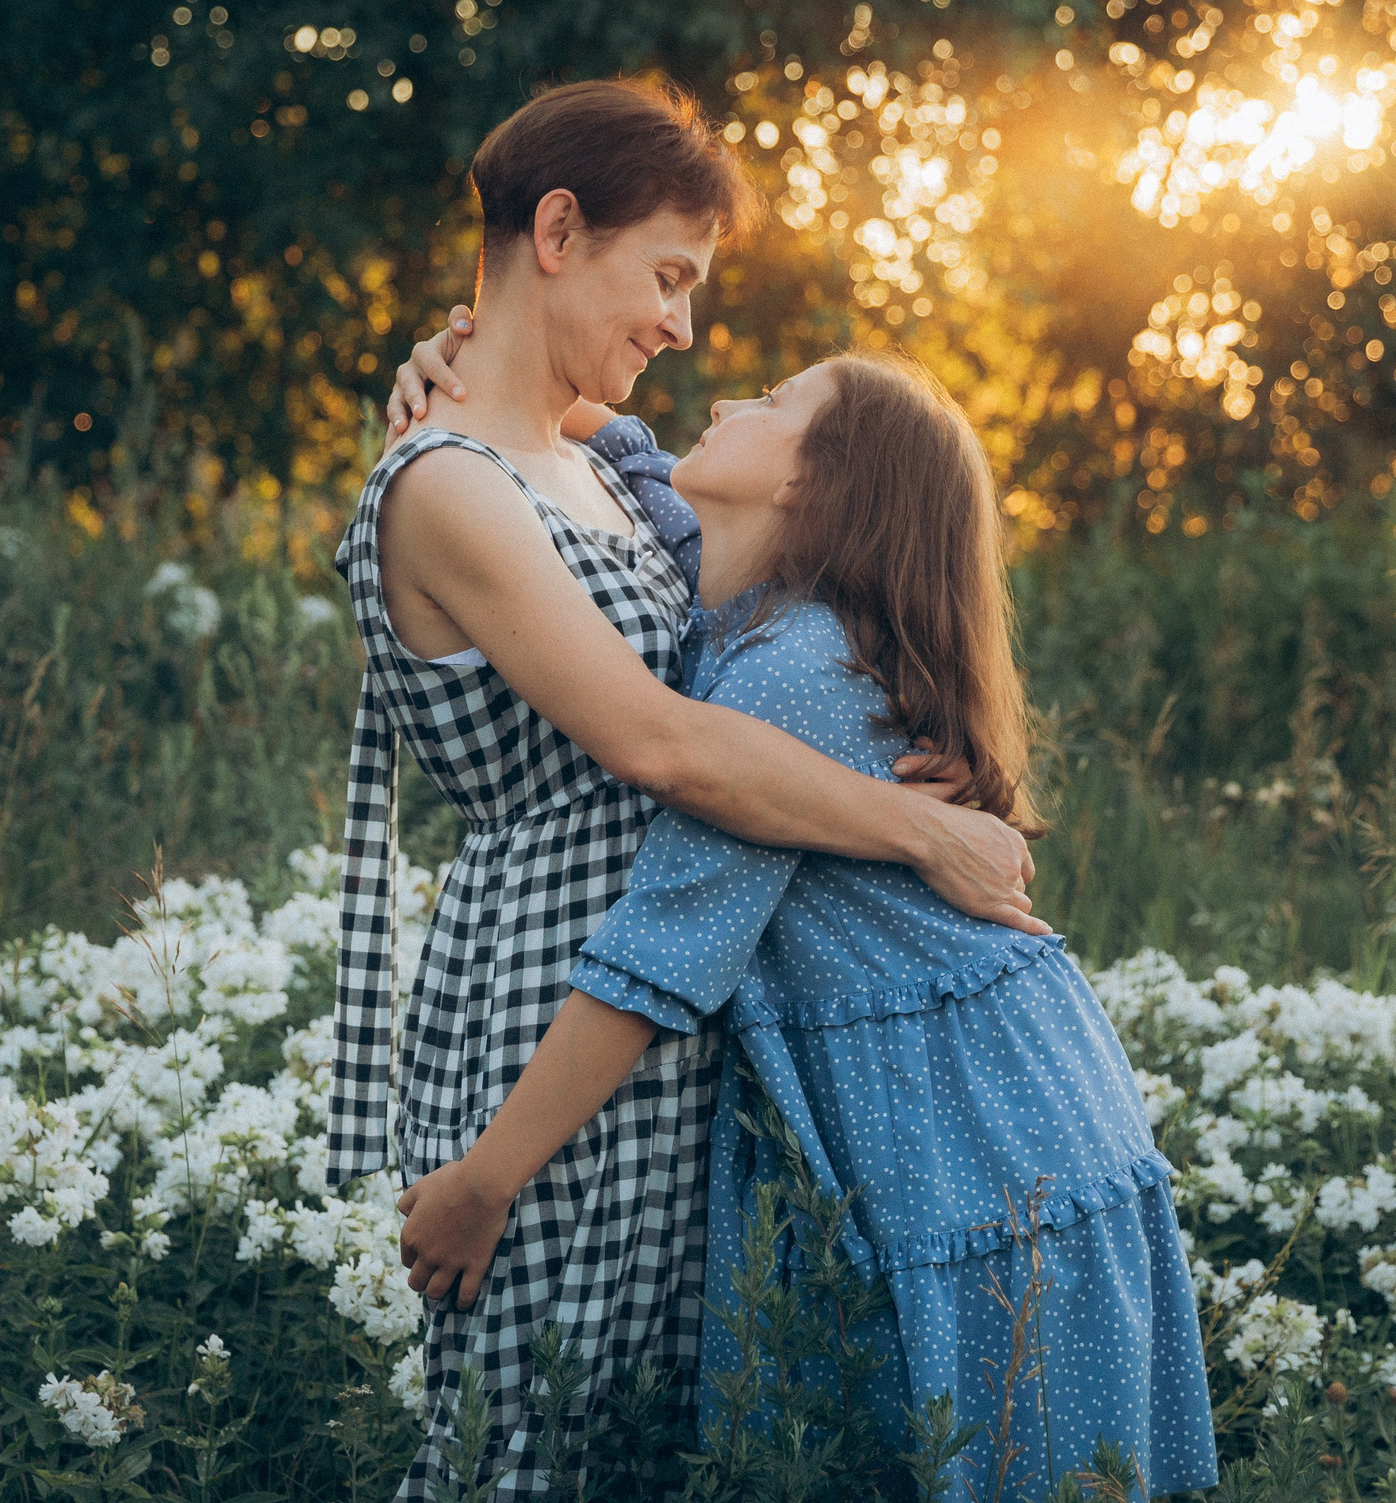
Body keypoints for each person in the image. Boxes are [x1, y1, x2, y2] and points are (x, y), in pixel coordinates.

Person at [335, 78, 1047, 1500]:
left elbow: (805, 561)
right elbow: (658, 743)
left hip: (687, 1008)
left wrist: (929, 742)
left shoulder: (596, 462)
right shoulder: (447, 486)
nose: (680, 325)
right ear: (556, 231)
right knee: (527, 1437)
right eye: (665, 275)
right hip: (550, 996)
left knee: (659, 1441)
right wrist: (921, 831)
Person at [391, 351, 1221, 1500]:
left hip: (974, 1147)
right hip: (979, 1109)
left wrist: (485, 1180)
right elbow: (610, 441)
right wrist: (466, 358)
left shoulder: (793, 668)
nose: (727, 398)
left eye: (773, 401)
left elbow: (657, 960)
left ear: (806, 484)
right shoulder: (744, 604)